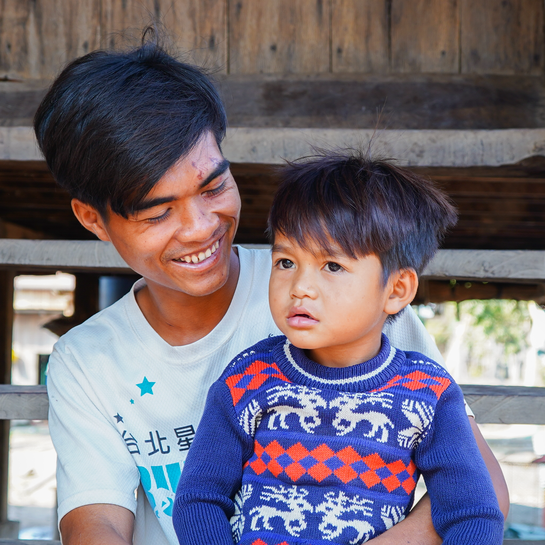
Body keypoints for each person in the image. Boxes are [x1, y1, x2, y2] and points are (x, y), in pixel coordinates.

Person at [33, 34, 508, 545]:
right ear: (93, 218)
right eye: (157, 211)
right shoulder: (86, 362)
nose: (198, 227)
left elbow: (480, 493)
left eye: (214, 187)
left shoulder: (358, 299)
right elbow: (97, 525)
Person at [172, 151, 505, 545]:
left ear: (396, 290)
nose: (299, 287)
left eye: (332, 266)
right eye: (285, 262)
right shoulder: (249, 378)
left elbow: (475, 514)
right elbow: (198, 500)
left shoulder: (427, 394)